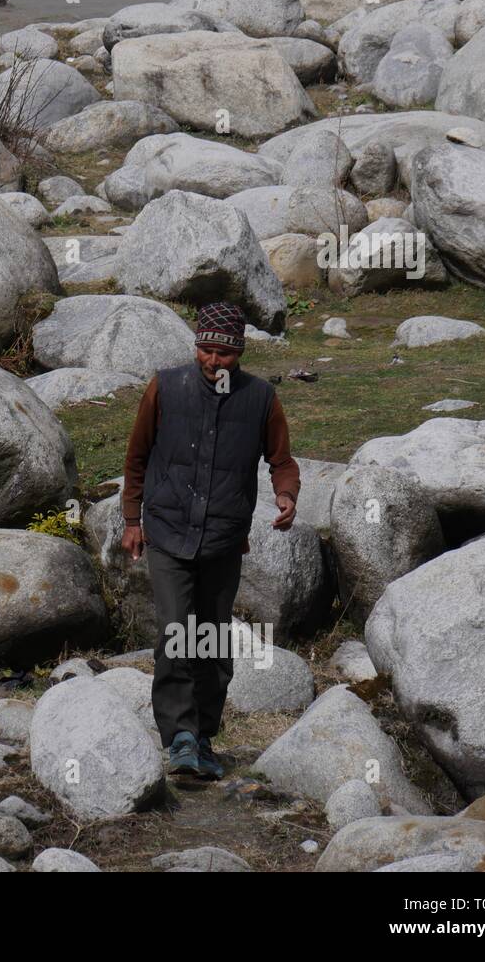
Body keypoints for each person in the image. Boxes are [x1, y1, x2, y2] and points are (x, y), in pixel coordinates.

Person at [120, 302, 300, 780]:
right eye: (206, 349)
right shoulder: (166, 387)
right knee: (176, 633)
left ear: (238, 353)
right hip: (167, 532)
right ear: (195, 346)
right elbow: (136, 458)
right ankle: (179, 736)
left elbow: (282, 461)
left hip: (222, 539)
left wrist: (286, 496)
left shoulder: (260, 398)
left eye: (223, 353)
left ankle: (203, 736)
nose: (213, 361)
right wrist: (131, 520)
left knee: (214, 640)